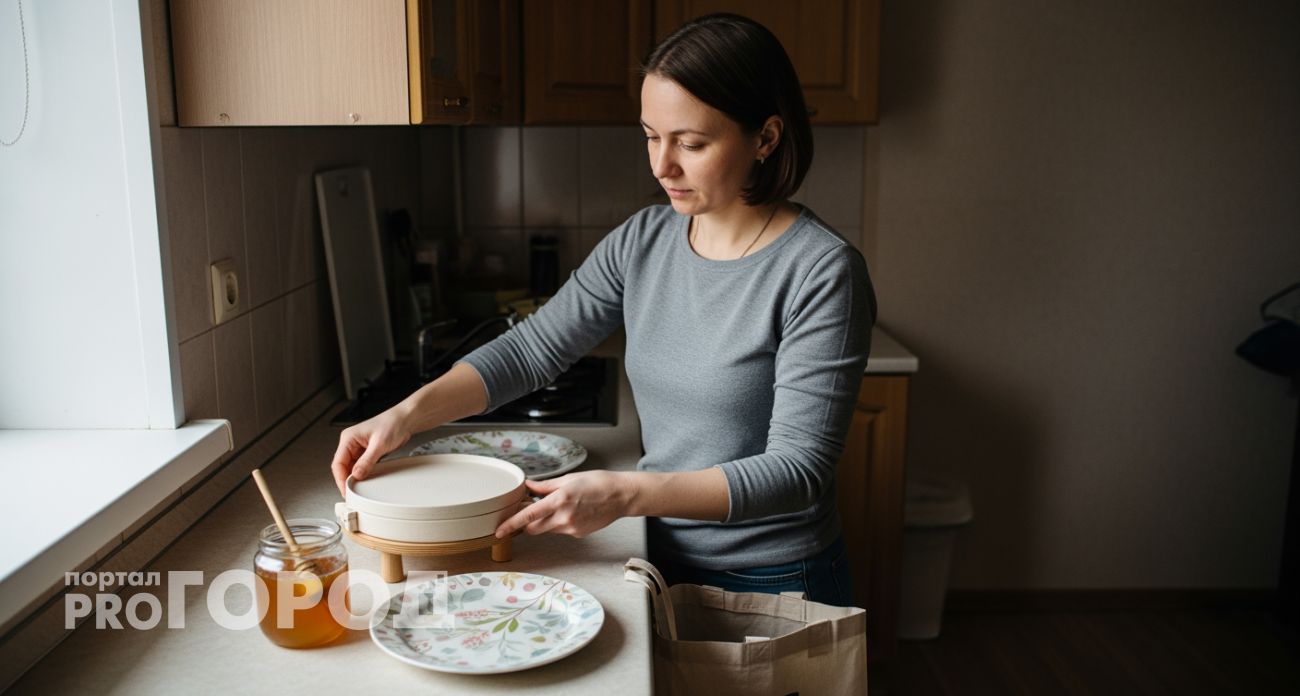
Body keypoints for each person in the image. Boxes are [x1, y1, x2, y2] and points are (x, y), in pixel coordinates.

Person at [330, 13, 875, 607]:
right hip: (655, 556)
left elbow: (797, 472)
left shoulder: (822, 271)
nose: (661, 165)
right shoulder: (644, 239)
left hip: (773, 581)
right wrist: (406, 415)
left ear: (766, 138)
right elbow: (532, 349)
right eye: (650, 135)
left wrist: (624, 494)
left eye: (691, 143)